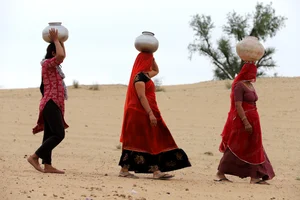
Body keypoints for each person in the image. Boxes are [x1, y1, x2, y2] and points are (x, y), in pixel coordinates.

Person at [118, 52, 191, 179]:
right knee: (142, 139)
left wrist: (153, 59)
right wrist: (150, 113)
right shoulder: (139, 78)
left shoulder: (145, 75)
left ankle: (151, 170)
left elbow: (156, 70)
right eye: (149, 60)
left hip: (147, 111)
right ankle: (154, 171)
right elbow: (141, 97)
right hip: (140, 112)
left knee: (150, 138)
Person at [216, 62, 275, 184]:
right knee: (236, 145)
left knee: (255, 145)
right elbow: (238, 105)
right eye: (252, 71)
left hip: (254, 119)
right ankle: (220, 173)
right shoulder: (239, 86)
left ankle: (255, 176)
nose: (254, 74)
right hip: (243, 121)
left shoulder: (251, 86)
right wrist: (245, 122)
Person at [27, 28, 69, 174]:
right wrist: (57, 40)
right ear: (53, 53)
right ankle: (34, 157)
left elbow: (63, 55)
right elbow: (61, 55)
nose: (61, 58)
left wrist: (61, 41)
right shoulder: (47, 64)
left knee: (50, 134)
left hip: (54, 103)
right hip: (50, 103)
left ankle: (48, 165)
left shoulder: (55, 67)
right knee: (58, 134)